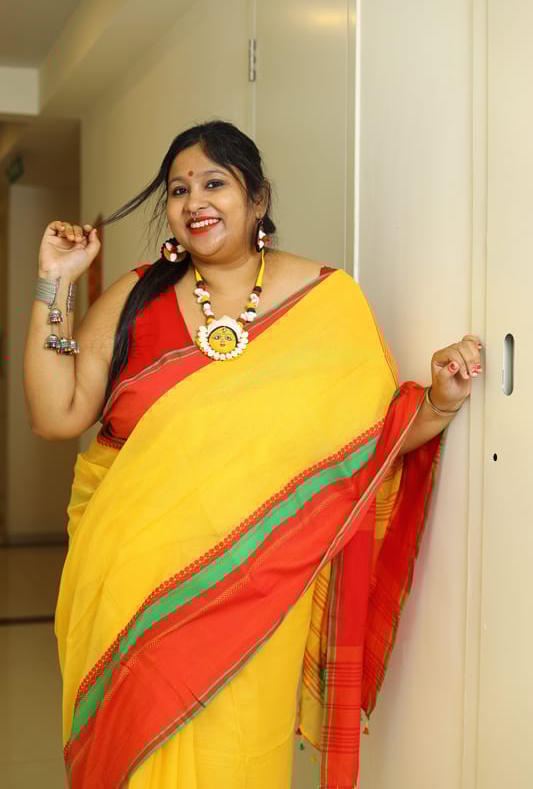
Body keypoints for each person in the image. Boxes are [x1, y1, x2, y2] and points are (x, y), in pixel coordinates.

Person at [24, 120, 482, 789]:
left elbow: (364, 441)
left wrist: (438, 402)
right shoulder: (136, 297)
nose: (194, 202)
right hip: (129, 586)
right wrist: (55, 282)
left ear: (258, 198)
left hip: (257, 586)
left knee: (238, 753)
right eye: (179, 190)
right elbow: (55, 413)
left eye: (214, 183)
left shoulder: (325, 300)